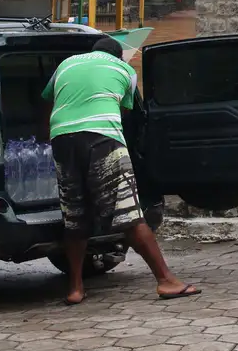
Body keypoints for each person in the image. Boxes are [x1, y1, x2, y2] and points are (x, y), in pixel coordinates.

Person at [42, 37, 199, 306]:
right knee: (129, 213)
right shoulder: (125, 70)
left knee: (75, 216)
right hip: (102, 139)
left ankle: (75, 288)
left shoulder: (65, 65)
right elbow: (125, 110)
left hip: (62, 139)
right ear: (119, 56)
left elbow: (48, 102)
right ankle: (166, 281)